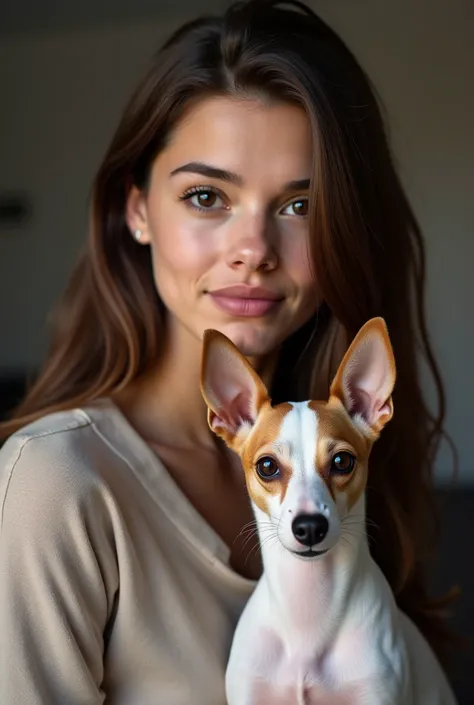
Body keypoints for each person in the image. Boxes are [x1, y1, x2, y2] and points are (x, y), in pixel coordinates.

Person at [0, 0, 459, 703]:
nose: (253, 251)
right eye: (208, 195)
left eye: (300, 205)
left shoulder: (346, 458)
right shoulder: (50, 487)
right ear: (139, 210)